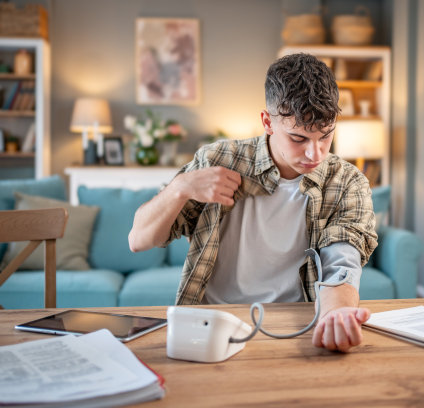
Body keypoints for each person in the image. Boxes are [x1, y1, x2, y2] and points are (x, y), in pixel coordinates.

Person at [128, 53, 377, 352]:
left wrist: (336, 314)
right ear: (267, 122)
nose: (315, 154)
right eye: (298, 139)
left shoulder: (346, 181)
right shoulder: (218, 161)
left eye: (325, 136)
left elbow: (342, 262)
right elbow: (139, 240)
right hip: (212, 322)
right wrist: (180, 187)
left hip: (294, 324)